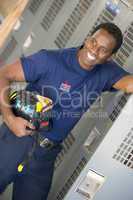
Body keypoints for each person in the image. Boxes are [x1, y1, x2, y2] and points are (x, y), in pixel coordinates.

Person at [0, 22, 133, 200]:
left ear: (110, 57)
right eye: (93, 42)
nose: (94, 50)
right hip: (16, 140)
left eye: (103, 50)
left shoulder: (106, 72)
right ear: (87, 38)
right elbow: (4, 75)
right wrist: (10, 120)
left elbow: (129, 84)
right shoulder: (50, 60)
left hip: (45, 157)